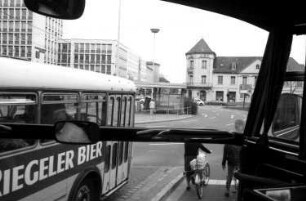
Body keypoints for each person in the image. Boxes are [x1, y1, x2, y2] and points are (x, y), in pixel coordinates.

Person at [222, 119, 245, 197]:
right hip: (239, 161)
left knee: (229, 176)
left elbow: (225, 151)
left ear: (235, 126)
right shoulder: (244, 138)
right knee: (239, 175)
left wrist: (223, 162)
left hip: (231, 161)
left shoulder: (230, 136)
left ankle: (227, 190)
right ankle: (238, 189)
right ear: (242, 127)